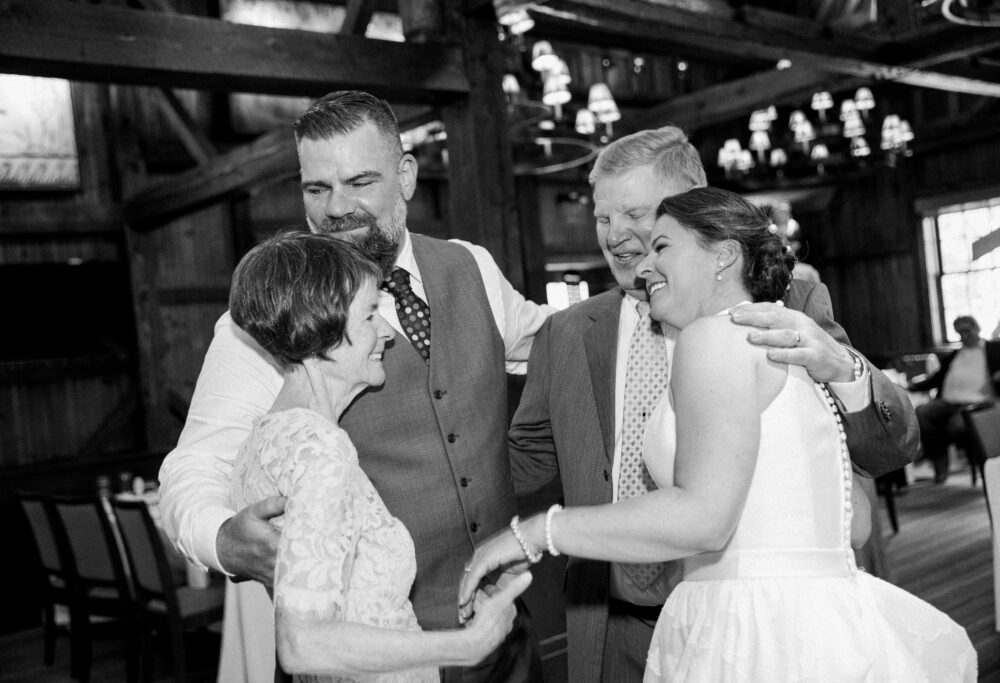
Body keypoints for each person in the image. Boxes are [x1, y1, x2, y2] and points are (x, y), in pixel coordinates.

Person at [465, 187, 976, 682]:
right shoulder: (779, 337)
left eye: (662, 246)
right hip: (813, 621)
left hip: (754, 630)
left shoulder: (713, 337)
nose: (644, 267)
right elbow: (853, 521)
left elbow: (705, 519)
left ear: (723, 256)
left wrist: (536, 532)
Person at [159, 91, 552, 683]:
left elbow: (554, 341)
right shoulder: (271, 320)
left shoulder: (471, 267)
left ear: (407, 176)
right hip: (369, 653)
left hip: (502, 635)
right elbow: (192, 467)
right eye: (316, 188)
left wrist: (668, 302)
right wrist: (222, 540)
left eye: (359, 181)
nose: (336, 208)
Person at [227, 231, 530, 680]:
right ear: (322, 330)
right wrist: (469, 644)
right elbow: (301, 643)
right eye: (370, 314)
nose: (387, 332)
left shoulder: (265, 439)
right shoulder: (320, 450)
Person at [909, 314, 1000, 483]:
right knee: (922, 413)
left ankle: (977, 462)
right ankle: (939, 462)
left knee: (955, 425)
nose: (964, 336)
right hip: (947, 402)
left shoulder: (994, 349)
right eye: (960, 333)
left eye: (967, 331)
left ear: (977, 328)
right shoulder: (954, 355)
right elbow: (935, 379)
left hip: (979, 403)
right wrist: (911, 386)